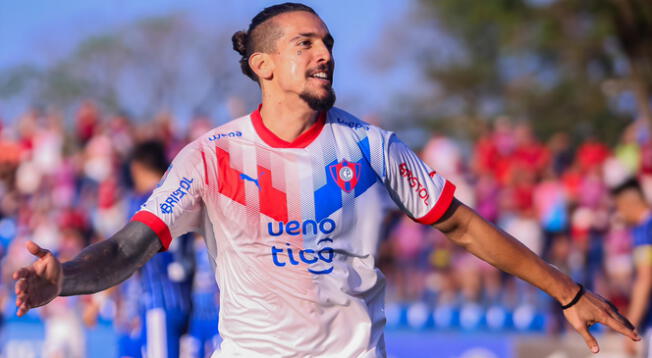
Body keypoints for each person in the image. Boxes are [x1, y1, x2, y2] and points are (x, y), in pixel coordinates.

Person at [13, 3, 640, 357]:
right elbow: (131, 246)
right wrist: (64, 278)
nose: (325, 53)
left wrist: (566, 290)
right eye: (305, 43)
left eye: (329, 42)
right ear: (263, 65)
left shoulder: (371, 147)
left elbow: (465, 227)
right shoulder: (210, 156)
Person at [127, 140, 196, 358]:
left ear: (136, 168)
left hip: (158, 303)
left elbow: (126, 254)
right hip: (185, 302)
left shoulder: (143, 203)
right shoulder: (182, 197)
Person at [612, 178, 652, 357]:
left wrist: (631, 327)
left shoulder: (645, 230)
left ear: (628, 204)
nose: (619, 214)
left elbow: (645, 278)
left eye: (618, 207)